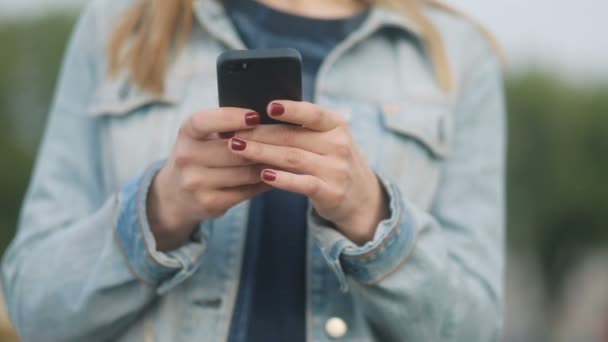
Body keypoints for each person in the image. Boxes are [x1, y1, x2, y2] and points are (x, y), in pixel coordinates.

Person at [1, 0, 507, 340]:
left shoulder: (457, 55)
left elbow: (476, 325)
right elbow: (33, 306)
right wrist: (159, 211)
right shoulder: (119, 24)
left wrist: (372, 216)